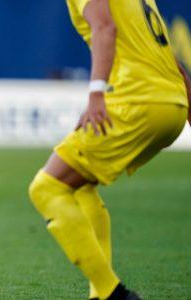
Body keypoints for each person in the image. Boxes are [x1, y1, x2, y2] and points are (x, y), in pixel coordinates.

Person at [28, 0, 190, 299]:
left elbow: (105, 28)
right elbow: (171, 59)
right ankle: (100, 293)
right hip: (172, 105)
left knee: (47, 188)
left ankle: (111, 294)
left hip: (138, 102)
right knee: (79, 186)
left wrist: (96, 94)